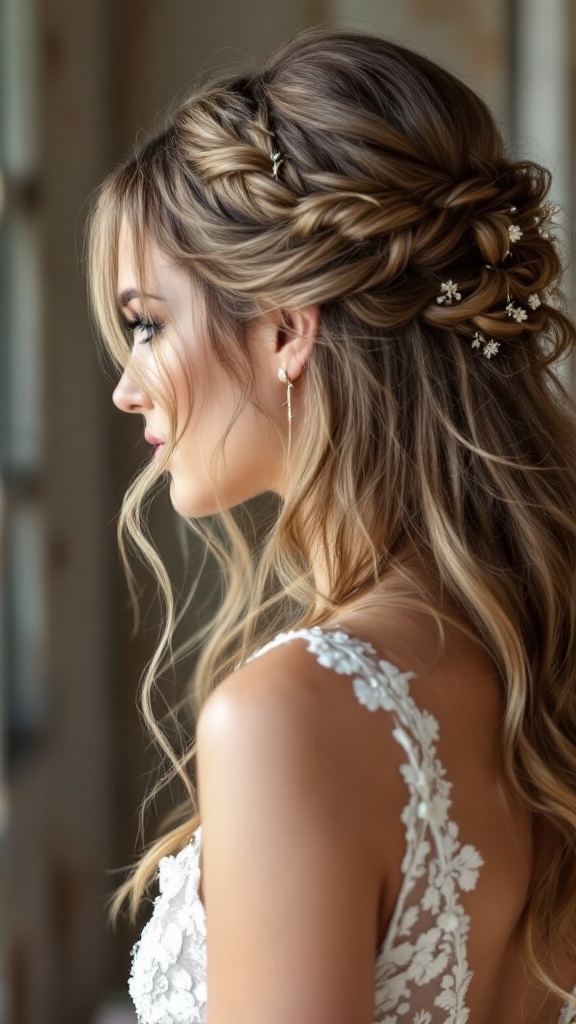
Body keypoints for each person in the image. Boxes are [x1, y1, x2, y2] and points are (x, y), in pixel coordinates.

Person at [87, 27, 576, 1024]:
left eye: (148, 324)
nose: (127, 387)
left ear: (282, 328)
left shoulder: (287, 720)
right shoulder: (538, 651)